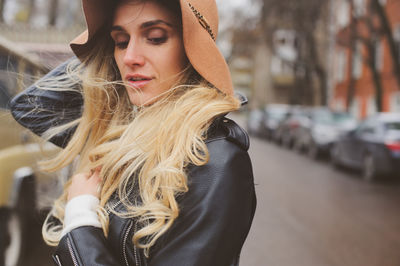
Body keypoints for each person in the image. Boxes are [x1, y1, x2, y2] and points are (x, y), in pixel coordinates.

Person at [10, 0, 256, 265]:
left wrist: (81, 220)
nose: (129, 58)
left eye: (155, 37)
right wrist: (100, 52)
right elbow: (29, 106)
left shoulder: (216, 163)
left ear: (191, 49)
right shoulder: (130, 137)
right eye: (121, 41)